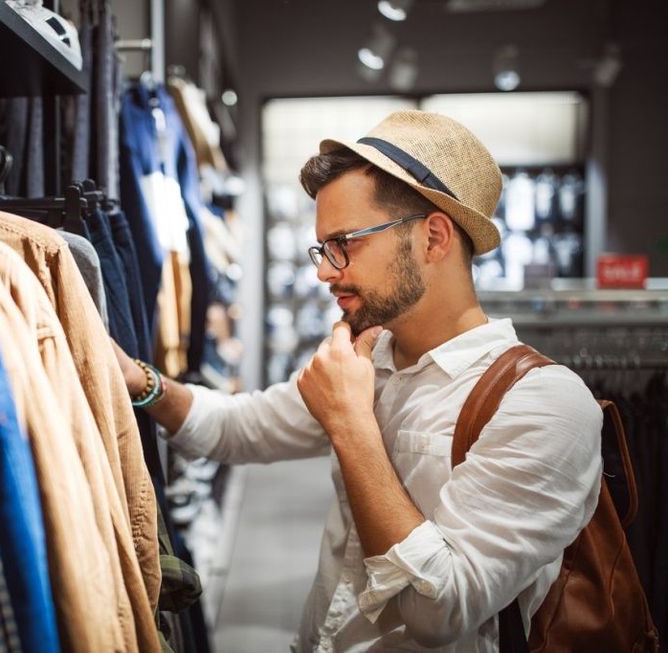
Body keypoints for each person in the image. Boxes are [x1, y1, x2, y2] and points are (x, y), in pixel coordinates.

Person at [114, 111, 603, 652]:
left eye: (345, 243)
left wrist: (348, 420)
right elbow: (239, 427)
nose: (325, 271)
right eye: (324, 248)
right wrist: (140, 380)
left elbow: (438, 609)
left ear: (434, 238)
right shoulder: (374, 359)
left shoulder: (544, 405)